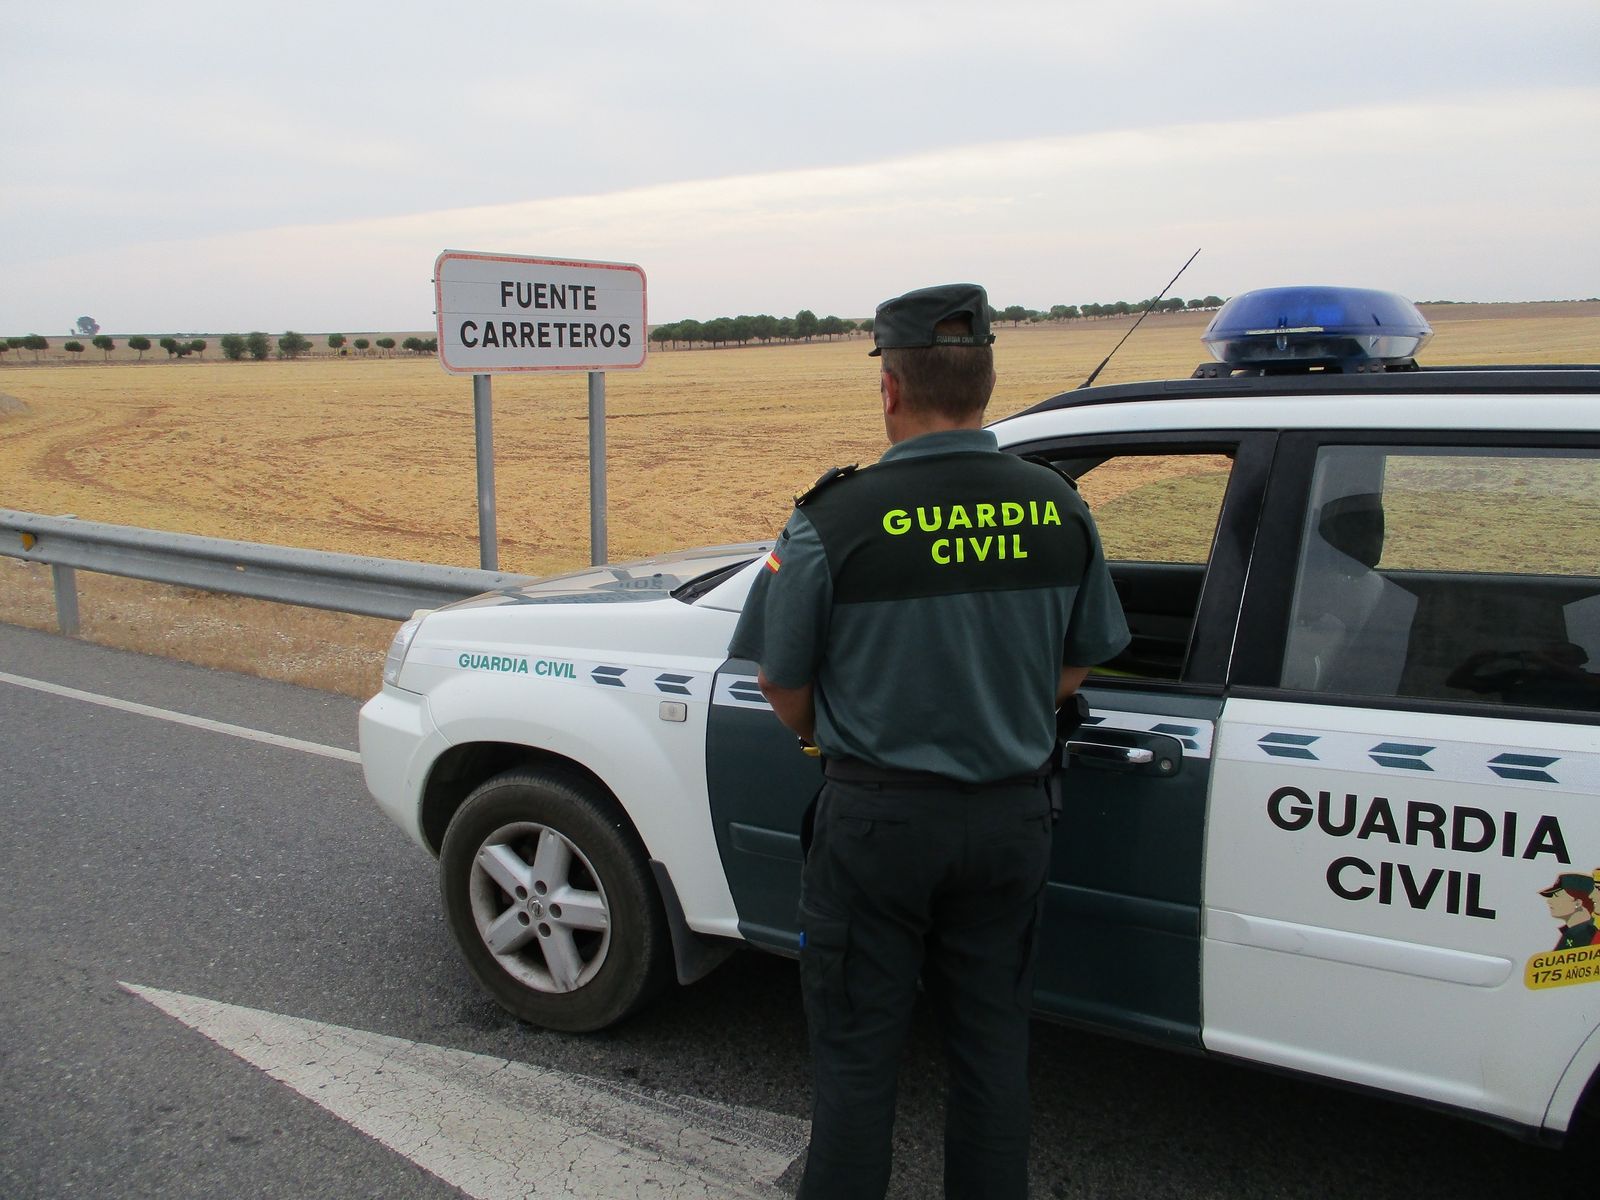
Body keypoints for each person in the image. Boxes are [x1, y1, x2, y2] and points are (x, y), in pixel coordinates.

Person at [728, 283, 1130, 1199]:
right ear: (987, 379)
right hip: (1010, 823)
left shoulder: (831, 520)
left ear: (890, 390)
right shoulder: (1058, 508)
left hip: (875, 826)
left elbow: (781, 687)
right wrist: (1003, 703)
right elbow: (1080, 666)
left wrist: (859, 733)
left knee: (858, 1065)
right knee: (992, 1057)